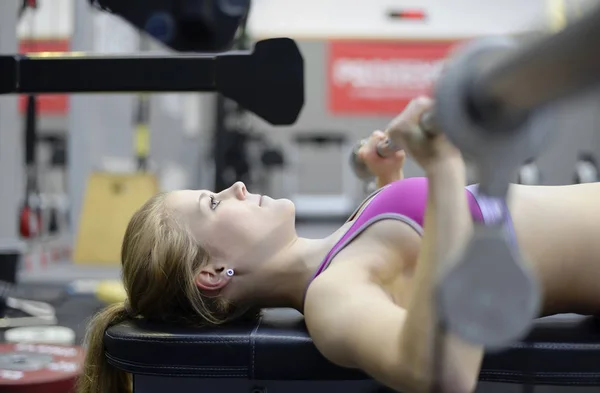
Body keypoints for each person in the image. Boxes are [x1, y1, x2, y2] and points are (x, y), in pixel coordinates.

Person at [77, 97, 600, 393]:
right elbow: (443, 375)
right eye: (214, 204)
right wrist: (443, 167)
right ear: (212, 272)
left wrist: (388, 182)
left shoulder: (335, 255)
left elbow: (410, 266)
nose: (235, 188)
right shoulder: (331, 296)